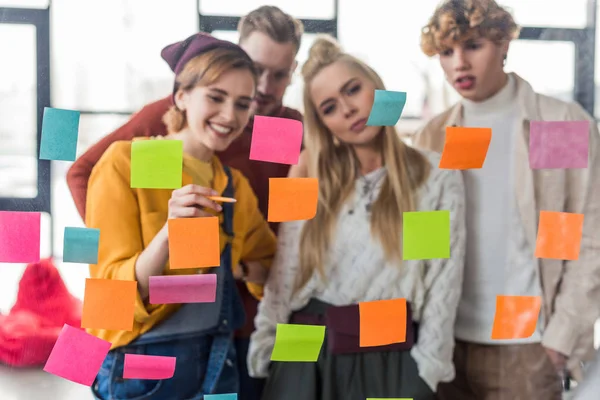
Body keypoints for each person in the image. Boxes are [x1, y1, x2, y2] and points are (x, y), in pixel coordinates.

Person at [66, 6, 304, 399]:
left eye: (278, 75)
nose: (262, 87)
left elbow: (287, 235)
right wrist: (140, 246)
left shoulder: (280, 135)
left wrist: (235, 265)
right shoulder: (145, 144)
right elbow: (84, 175)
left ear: (294, 71)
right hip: (146, 333)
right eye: (256, 68)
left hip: (236, 329)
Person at [247, 35, 466, 400]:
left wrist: (426, 372)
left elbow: (441, 281)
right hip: (301, 352)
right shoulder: (304, 172)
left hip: (388, 356)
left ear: (376, 88)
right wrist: (265, 359)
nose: (347, 109)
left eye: (353, 90)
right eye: (329, 107)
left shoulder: (433, 178)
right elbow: (283, 277)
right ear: (323, 124)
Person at [414, 1, 600, 399]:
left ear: (503, 44)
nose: (459, 63)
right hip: (444, 343)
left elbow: (585, 238)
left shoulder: (555, 124)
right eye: (447, 52)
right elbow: (421, 245)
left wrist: (559, 339)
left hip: (527, 346)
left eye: (473, 46)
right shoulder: (433, 135)